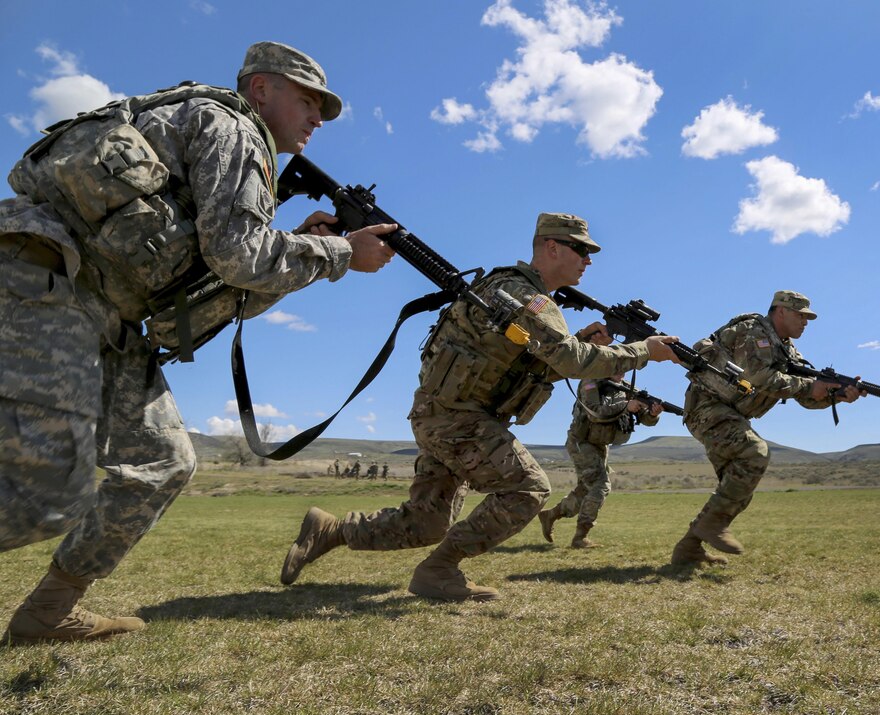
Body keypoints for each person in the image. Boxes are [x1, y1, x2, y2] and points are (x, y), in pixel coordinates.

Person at [0, 41, 397, 644]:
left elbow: (222, 283)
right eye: (308, 100)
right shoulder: (233, 127)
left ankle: (47, 611)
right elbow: (241, 257)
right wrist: (342, 253)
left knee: (163, 461)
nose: (318, 118)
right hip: (45, 277)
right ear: (261, 89)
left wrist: (301, 245)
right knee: (45, 482)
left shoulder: (230, 146)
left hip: (104, 312)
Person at [280, 212, 681, 601]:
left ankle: (330, 530)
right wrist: (643, 351)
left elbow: (536, 366)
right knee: (528, 488)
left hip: (446, 415)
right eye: (580, 249)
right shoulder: (527, 296)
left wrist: (584, 342)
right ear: (552, 247)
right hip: (456, 418)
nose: (588, 260)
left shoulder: (518, 293)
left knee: (426, 522)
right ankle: (439, 571)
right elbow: (570, 360)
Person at [670, 290, 862, 566]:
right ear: (780, 311)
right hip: (707, 407)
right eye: (801, 315)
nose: (805, 322)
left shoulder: (788, 351)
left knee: (738, 487)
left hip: (729, 415)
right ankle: (710, 527)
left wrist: (835, 395)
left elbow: (804, 397)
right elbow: (759, 377)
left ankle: (688, 549)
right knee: (755, 453)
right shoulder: (754, 332)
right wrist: (811, 386)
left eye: (807, 318)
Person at [537, 374, 662, 548]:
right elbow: (594, 412)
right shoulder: (591, 381)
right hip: (582, 441)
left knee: (585, 491)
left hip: (601, 444)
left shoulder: (629, 388)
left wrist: (653, 414)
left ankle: (550, 515)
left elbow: (646, 420)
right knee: (600, 486)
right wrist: (626, 406)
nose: (622, 370)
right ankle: (580, 537)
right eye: (618, 365)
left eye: (625, 366)